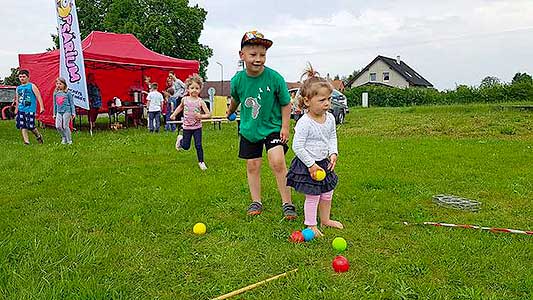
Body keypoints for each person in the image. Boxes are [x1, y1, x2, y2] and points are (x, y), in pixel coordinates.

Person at [226, 30, 297, 219]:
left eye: (262, 55)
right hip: (250, 129)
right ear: (242, 55)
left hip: (273, 127)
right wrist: (231, 111)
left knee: (277, 161)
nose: (258, 59)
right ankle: (256, 201)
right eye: (253, 54)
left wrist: (285, 127)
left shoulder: (275, 78)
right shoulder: (238, 80)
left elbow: (285, 103)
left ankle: (287, 203)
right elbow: (236, 99)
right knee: (253, 165)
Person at [286, 65, 343, 237]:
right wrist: (311, 165)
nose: (327, 103)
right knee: (313, 195)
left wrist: (333, 153)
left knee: (327, 192)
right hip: (307, 164)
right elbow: (297, 146)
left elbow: (332, 137)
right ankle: (310, 225)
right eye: (322, 100)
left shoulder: (330, 118)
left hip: (324, 162)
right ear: (307, 101)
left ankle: (325, 219)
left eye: (329, 99)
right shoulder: (305, 122)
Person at [170, 74, 211, 170]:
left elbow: (209, 114)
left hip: (197, 127)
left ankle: (201, 162)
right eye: (192, 88)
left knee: (198, 145)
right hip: (187, 127)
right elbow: (180, 107)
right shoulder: (184, 100)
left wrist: (201, 116)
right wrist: (174, 114)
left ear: (200, 89)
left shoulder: (201, 101)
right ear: (188, 89)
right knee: (186, 147)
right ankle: (180, 140)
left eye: (197, 88)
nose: (194, 90)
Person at [14, 69, 45, 145]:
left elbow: (38, 96)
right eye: (20, 77)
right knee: (22, 126)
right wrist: (16, 108)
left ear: (28, 77)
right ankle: (26, 142)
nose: (22, 78)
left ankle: (38, 136)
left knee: (30, 126)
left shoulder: (32, 86)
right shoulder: (18, 88)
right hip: (21, 109)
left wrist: (41, 106)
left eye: (24, 77)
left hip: (30, 109)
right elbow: (17, 99)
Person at [53, 77, 75, 144]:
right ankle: (64, 137)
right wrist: (54, 113)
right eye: (57, 84)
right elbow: (55, 104)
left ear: (64, 84)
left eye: (60, 84)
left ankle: (69, 140)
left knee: (65, 126)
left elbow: (71, 103)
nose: (58, 85)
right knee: (58, 126)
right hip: (59, 112)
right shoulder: (55, 94)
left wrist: (73, 112)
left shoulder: (68, 93)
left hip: (67, 111)